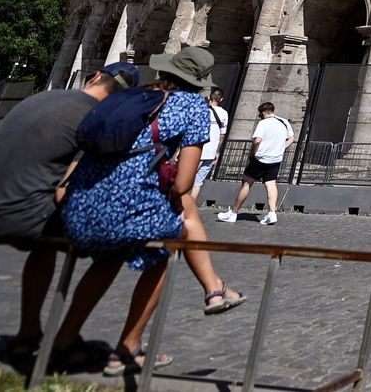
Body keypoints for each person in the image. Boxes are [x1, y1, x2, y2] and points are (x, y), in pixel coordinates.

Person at [61, 47, 245, 375]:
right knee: (168, 248)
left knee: (109, 258)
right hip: (127, 206)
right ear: (199, 82)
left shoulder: (136, 96)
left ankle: (63, 341)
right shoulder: (193, 107)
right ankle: (129, 346)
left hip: (81, 201)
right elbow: (183, 183)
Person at [0, 62, 140, 368]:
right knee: (117, 247)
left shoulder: (43, 98)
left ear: (94, 76)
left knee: (47, 245)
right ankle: (66, 339)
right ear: (122, 100)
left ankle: (28, 333)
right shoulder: (93, 118)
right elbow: (67, 190)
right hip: (19, 216)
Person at [216, 101, 294, 225]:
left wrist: (254, 152)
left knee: (246, 184)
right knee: (271, 184)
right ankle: (272, 213)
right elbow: (291, 138)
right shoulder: (284, 122)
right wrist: (281, 148)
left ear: (263, 113)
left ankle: (233, 213)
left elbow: (257, 140)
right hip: (276, 159)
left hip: (261, 158)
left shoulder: (263, 123)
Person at [191, 87, 229, 201]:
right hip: (211, 151)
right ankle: (189, 206)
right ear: (221, 99)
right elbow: (222, 135)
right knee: (198, 182)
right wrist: (217, 151)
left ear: (209, 97)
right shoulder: (224, 113)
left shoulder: (201, 110)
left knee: (187, 177)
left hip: (197, 149)